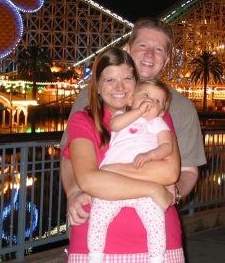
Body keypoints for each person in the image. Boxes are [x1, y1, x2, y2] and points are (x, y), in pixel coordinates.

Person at [61, 17, 207, 262]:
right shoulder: (88, 103)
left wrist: (172, 193)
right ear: (127, 50)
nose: (150, 54)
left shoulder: (170, 111)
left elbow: (183, 171)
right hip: (96, 230)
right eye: (143, 46)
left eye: (159, 49)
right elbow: (71, 159)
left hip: (156, 231)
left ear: (167, 58)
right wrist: (76, 191)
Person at [88, 78, 173, 263]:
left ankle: (157, 258)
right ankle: (95, 256)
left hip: (143, 182)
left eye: (157, 101)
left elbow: (167, 146)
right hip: (113, 181)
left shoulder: (157, 123)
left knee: (156, 221)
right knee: (98, 217)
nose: (150, 101)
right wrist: (138, 111)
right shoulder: (121, 116)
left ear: (162, 112)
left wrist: (151, 155)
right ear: (130, 100)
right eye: (145, 95)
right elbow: (114, 126)